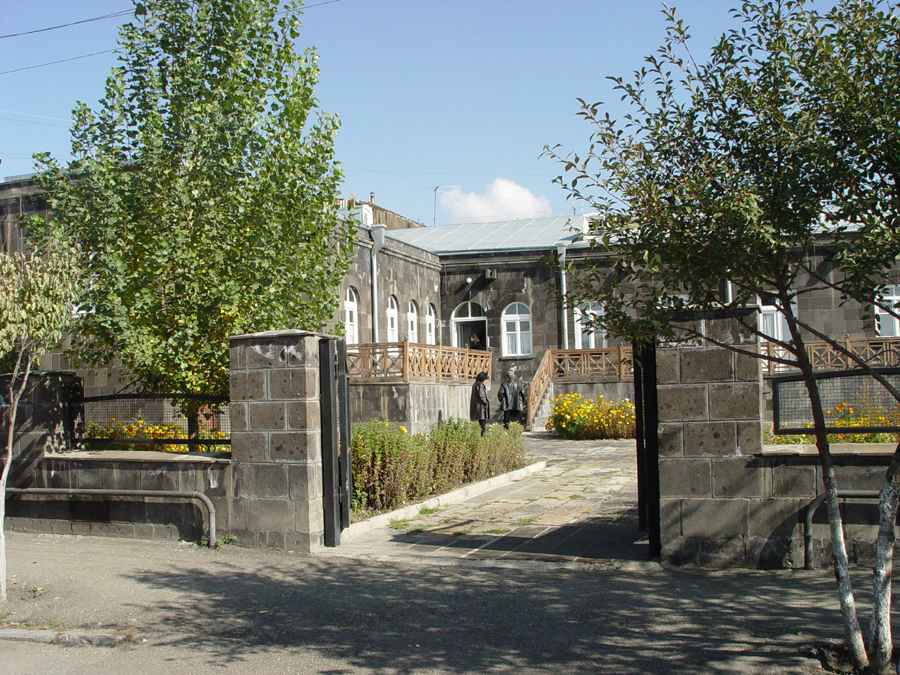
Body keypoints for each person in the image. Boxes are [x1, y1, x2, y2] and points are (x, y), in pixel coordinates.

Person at [469, 370, 490, 435]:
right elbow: (482, 396)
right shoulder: (480, 385)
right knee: (483, 424)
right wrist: (486, 402)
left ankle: (481, 436)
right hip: (481, 408)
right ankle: (482, 437)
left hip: (476, 407)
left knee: (479, 424)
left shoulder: (475, 384)